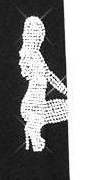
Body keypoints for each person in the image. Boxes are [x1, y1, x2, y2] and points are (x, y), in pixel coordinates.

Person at [18, 15, 68, 152]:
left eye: (38, 33)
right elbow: (28, 72)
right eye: (33, 33)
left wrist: (66, 91)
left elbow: (49, 75)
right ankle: (33, 128)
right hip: (32, 105)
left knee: (68, 108)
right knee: (38, 145)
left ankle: (33, 128)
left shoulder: (37, 54)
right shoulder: (26, 54)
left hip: (41, 106)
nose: (37, 37)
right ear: (28, 35)